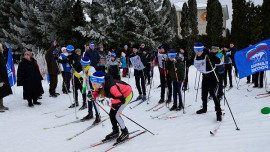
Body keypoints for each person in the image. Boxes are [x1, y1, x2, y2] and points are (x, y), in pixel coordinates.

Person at [90, 71, 133, 143]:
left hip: (126, 95)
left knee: (117, 115)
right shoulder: (101, 84)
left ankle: (125, 132)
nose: (93, 85)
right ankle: (115, 131)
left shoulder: (112, 87)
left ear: (100, 81)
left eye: (94, 84)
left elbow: (121, 100)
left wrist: (110, 102)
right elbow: (97, 91)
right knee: (112, 114)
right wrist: (92, 95)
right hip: (118, 97)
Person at [193, 42, 222, 121]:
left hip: (213, 77)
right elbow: (190, 62)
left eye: (199, 50)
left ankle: (219, 113)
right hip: (205, 76)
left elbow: (219, 61)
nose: (197, 52)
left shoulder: (209, 55)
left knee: (214, 95)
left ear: (202, 49)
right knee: (204, 94)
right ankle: (204, 108)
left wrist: (212, 59)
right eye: (196, 50)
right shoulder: (196, 56)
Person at [74, 56, 100, 123]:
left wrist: (87, 73)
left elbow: (93, 77)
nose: (81, 64)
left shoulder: (91, 68)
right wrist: (74, 72)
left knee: (95, 103)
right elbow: (79, 75)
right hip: (89, 89)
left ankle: (98, 116)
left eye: (82, 63)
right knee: (89, 101)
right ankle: (90, 114)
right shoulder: (84, 69)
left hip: (94, 89)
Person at [0, 43, 12, 112]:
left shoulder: (1, 56)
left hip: (3, 77)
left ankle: (1, 105)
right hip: (0, 78)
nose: (3, 49)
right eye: (2, 48)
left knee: (2, 92)